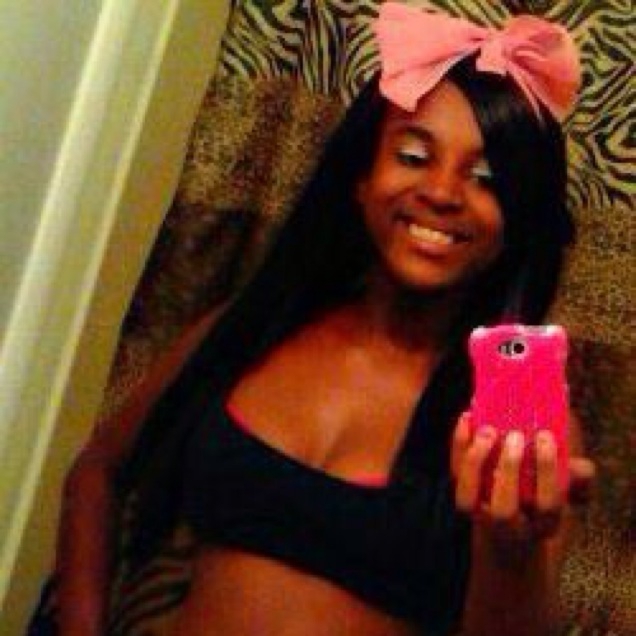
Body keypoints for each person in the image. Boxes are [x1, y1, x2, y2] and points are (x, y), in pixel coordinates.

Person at [54, 4, 595, 636]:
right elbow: (97, 472)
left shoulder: (517, 431)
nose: (443, 192)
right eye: (413, 156)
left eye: (486, 178)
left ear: (517, 221)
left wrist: (511, 552)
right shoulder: (255, 327)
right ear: (360, 179)